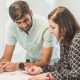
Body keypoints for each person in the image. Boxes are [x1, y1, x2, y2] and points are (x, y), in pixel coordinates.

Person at [0, 1, 60, 72]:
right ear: (14, 21)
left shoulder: (45, 26)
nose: (24, 25)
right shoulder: (12, 27)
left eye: (26, 20)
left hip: (51, 66)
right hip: (29, 65)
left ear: (30, 13)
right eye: (19, 22)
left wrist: (17, 66)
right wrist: (2, 65)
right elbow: (6, 58)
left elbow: (45, 62)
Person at [25, 6, 80, 80]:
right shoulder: (64, 39)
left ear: (64, 27)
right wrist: (41, 69)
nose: (51, 31)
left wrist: (50, 76)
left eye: (53, 27)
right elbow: (63, 65)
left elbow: (77, 75)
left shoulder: (77, 41)